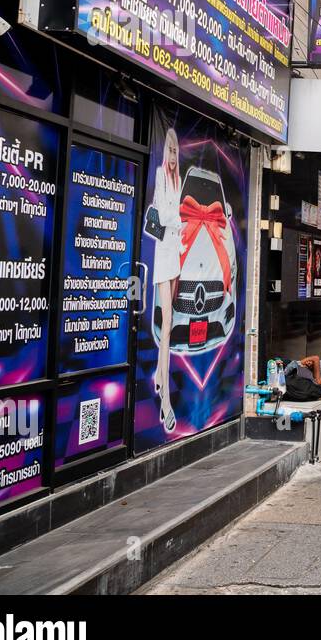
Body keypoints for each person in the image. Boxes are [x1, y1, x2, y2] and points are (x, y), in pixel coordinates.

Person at [150, 128, 184, 433]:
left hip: (175, 253)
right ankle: (166, 402)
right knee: (168, 319)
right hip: (163, 256)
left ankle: (160, 377)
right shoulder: (161, 175)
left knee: (170, 322)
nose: (172, 157)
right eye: (170, 151)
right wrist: (181, 221)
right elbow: (162, 216)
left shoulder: (177, 178)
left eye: (176, 152)